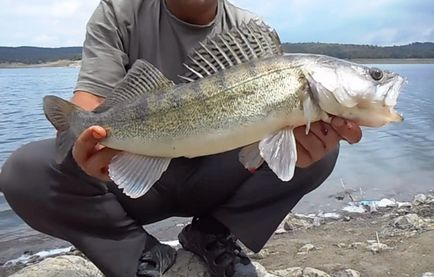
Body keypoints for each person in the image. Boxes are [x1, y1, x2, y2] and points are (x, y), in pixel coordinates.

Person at [0, 0, 362, 276]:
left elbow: (276, 132)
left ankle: (213, 234)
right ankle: (138, 253)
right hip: (131, 172)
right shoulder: (119, 10)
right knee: (24, 172)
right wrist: (84, 141)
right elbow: (90, 101)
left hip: (217, 176)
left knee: (319, 143)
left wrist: (299, 143)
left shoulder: (253, 31)